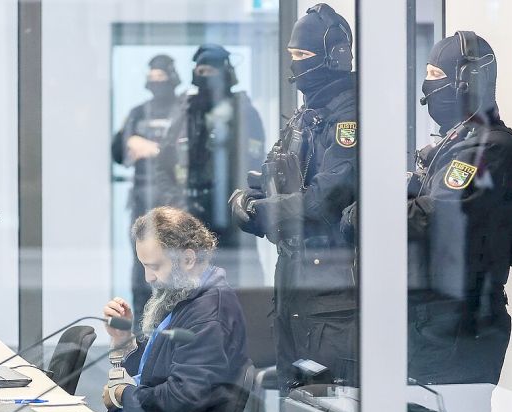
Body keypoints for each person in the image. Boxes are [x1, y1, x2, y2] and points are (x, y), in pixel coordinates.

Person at [345, 31, 512, 412]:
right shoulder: (458, 142)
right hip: (435, 322)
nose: (427, 89)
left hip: (460, 327)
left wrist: (374, 207)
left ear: (466, 80)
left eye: (435, 78)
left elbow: (432, 219)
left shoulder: (490, 149)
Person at [228, 4, 358, 392]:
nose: (295, 64)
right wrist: (248, 202)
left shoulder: (350, 117)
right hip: (292, 279)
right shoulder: (307, 114)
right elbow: (274, 178)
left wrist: (264, 211)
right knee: (292, 396)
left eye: (303, 54)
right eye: (292, 55)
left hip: (330, 288)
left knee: (326, 404)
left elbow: (324, 200)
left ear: (334, 57)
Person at [101, 206, 249, 412]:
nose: (148, 277)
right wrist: (123, 340)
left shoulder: (208, 314)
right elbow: (154, 375)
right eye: (144, 266)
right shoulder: (188, 296)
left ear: (188, 259)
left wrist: (122, 395)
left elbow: (182, 397)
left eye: (154, 266)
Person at [157, 44, 266, 289]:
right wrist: (175, 202)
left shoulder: (244, 112)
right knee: (186, 289)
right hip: (188, 215)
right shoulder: (184, 111)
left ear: (226, 73)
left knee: (237, 288)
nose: (205, 77)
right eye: (201, 71)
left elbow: (254, 166)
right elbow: (163, 164)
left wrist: (240, 204)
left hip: (231, 218)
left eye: (211, 71)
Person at [112, 54, 185, 330]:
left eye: (161, 78)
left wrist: (155, 150)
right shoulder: (138, 113)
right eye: (152, 78)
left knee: (175, 269)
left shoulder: (184, 111)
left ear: (172, 79)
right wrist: (130, 143)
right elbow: (118, 152)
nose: (156, 84)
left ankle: (174, 331)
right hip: (142, 203)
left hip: (176, 205)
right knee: (142, 270)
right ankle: (143, 335)